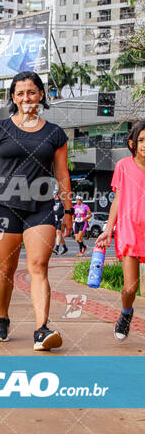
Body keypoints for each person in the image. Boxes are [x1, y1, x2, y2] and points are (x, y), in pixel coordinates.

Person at [0, 71, 73, 351]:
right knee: (6, 268)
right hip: (3, 206)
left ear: (40, 95)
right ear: (13, 97)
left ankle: (41, 329)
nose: (26, 97)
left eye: (32, 92)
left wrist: (69, 209)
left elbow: (62, 175)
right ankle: (2, 318)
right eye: (20, 93)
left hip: (40, 207)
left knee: (38, 266)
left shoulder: (55, 134)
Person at [96, 119, 145, 340]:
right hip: (130, 232)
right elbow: (117, 200)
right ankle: (126, 313)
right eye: (141, 140)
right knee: (130, 288)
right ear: (132, 143)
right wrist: (108, 229)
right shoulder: (123, 166)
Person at [53, 191, 68, 255]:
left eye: (56, 194)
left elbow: (67, 209)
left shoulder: (62, 201)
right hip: (54, 219)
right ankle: (65, 247)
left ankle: (56, 248)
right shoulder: (52, 201)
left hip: (60, 219)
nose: (55, 196)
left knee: (58, 232)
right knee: (59, 235)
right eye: (54, 195)